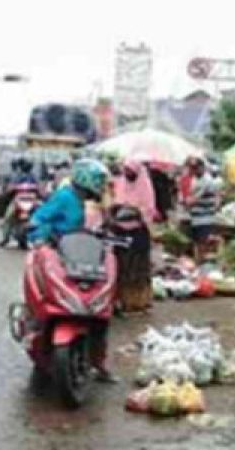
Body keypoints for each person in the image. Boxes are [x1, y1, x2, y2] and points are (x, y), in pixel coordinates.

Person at [26, 158, 117, 382]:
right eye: (99, 181)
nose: (101, 186)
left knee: (100, 309)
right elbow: (38, 219)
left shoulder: (78, 199)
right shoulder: (64, 197)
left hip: (75, 253)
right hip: (57, 253)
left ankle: (99, 360)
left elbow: (79, 229)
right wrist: (42, 237)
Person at [110, 160, 158, 313]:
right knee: (123, 267)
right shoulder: (121, 184)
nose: (127, 174)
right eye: (126, 171)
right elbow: (115, 202)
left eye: (130, 171)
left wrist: (135, 210)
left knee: (139, 268)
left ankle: (140, 300)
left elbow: (148, 209)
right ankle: (124, 300)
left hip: (138, 232)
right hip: (120, 232)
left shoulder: (145, 187)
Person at [185, 157, 221, 262]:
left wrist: (188, 202)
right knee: (197, 243)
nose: (192, 171)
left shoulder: (206, 180)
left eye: (194, 168)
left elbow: (194, 199)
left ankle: (201, 264)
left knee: (203, 243)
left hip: (205, 218)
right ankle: (198, 262)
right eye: (191, 168)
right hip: (196, 218)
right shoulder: (195, 179)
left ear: (201, 167)